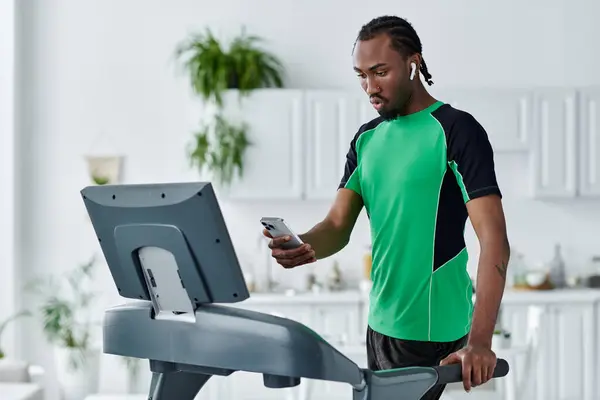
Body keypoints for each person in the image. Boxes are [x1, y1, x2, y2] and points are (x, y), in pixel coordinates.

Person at [263, 15, 510, 399]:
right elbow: (336, 226)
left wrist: (480, 341)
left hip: (431, 328)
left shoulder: (456, 130)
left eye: (380, 72)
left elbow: (494, 239)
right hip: (380, 324)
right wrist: (304, 245)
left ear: (414, 63)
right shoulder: (367, 139)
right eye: (361, 75)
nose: (370, 87)